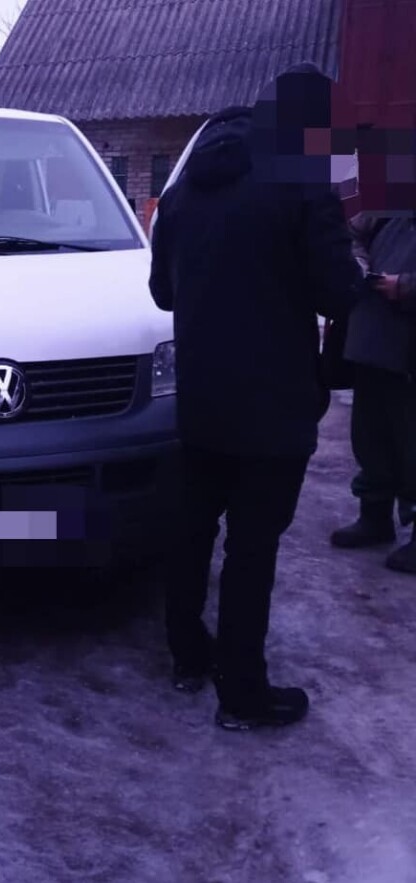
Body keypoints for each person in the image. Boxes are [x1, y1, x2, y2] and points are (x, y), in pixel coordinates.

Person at [149, 64, 363, 731]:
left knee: (191, 532)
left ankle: (187, 655)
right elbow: (338, 293)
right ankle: (241, 693)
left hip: (201, 400)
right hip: (274, 408)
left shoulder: (183, 191)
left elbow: (162, 293)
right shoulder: (303, 184)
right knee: (251, 548)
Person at [330, 211, 416, 573]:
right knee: (371, 434)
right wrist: (361, 267)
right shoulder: (392, 197)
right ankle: (375, 515)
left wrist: (407, 286)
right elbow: (350, 232)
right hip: (374, 340)